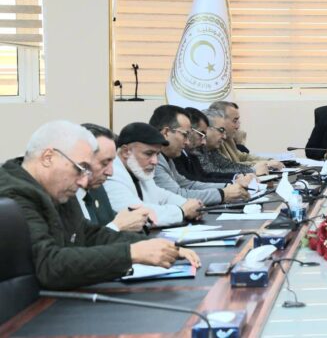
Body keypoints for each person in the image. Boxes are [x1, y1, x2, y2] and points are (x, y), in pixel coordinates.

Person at [0, 120, 200, 290]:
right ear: (48, 158)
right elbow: (49, 265)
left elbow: (88, 234)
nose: (83, 181)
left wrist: (152, 246)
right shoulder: (13, 195)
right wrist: (131, 254)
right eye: (80, 168)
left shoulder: (54, 187)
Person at [104, 122, 203, 227]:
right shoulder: (111, 174)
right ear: (126, 152)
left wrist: (191, 206)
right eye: (148, 154)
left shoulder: (138, 171)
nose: (155, 161)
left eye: (157, 154)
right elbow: (137, 214)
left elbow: (163, 196)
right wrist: (182, 211)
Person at [149, 105, 249, 205]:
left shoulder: (166, 157)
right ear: (166, 133)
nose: (187, 142)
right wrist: (223, 194)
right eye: (184, 135)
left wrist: (228, 187)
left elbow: (188, 185)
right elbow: (177, 196)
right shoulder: (154, 159)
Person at [77, 123, 153, 232]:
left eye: (112, 162)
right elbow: (80, 241)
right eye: (104, 163)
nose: (110, 172)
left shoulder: (97, 189)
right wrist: (117, 226)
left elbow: (109, 222)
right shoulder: (63, 197)